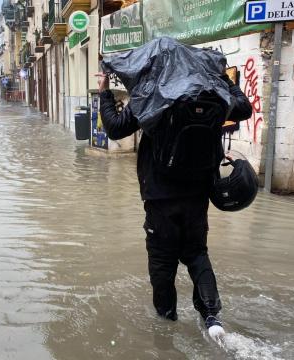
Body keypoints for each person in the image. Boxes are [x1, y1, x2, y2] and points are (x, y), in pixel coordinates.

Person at [96, 70, 252, 337]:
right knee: (197, 254)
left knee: (162, 264)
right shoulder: (212, 95)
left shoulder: (150, 93)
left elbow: (115, 128)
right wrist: (225, 81)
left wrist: (104, 92)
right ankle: (212, 317)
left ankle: (166, 330)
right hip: (197, 196)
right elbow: (245, 109)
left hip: (160, 198)